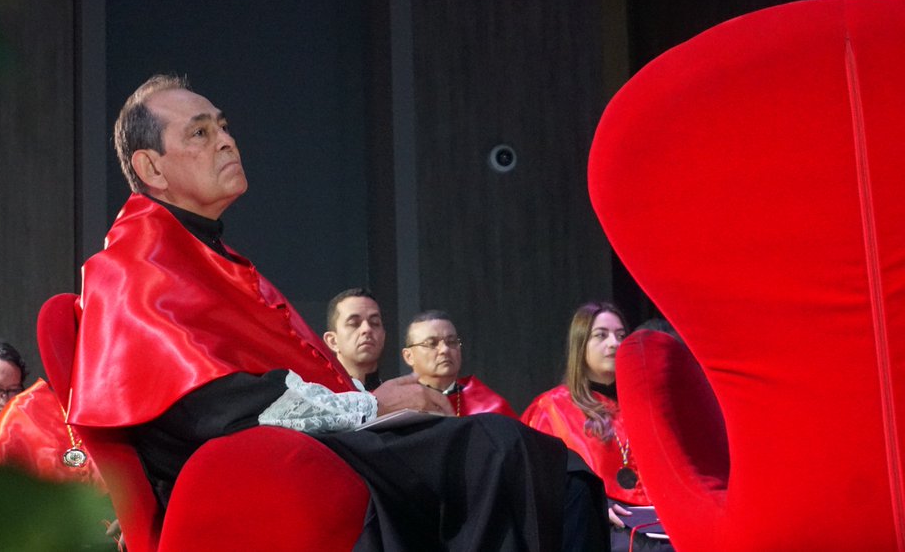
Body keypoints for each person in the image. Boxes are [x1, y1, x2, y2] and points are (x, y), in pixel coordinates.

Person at [67, 74, 608, 551]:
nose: (227, 140)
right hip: (247, 475)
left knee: (545, 471)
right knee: (525, 462)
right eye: (201, 132)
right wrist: (369, 407)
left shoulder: (208, 258)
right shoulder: (129, 264)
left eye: (224, 127)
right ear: (150, 168)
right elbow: (209, 409)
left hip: (301, 453)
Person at [522, 303, 671, 551]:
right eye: (601, 335)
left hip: (659, 526)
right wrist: (594, 504)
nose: (614, 343)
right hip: (597, 530)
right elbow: (538, 484)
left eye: (621, 335)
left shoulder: (645, 404)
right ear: (580, 346)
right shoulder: (551, 408)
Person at [402, 309, 518, 417]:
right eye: (432, 344)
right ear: (409, 356)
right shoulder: (397, 404)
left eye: (451, 342)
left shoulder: (490, 408)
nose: (445, 350)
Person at [324, 287, 386, 390]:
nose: (367, 329)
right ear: (333, 341)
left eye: (375, 323)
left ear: (383, 337)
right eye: (354, 323)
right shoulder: (311, 399)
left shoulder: (403, 401)